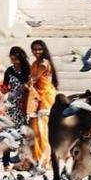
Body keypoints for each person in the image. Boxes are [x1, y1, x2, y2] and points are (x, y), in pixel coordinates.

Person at [26, 39, 58, 167]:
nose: (37, 52)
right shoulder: (35, 63)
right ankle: (36, 157)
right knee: (35, 128)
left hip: (45, 97)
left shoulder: (44, 63)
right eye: (34, 49)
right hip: (36, 96)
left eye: (40, 49)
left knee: (42, 129)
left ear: (44, 50)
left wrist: (26, 84)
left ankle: (44, 159)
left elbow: (34, 79)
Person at [2, 46, 31, 168]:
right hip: (12, 106)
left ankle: (24, 161)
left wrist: (26, 86)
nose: (15, 62)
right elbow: (4, 87)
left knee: (24, 134)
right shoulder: (9, 71)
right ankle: (5, 162)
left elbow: (31, 86)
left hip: (24, 105)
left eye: (17, 59)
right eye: (12, 59)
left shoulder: (28, 70)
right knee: (8, 133)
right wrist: (4, 89)